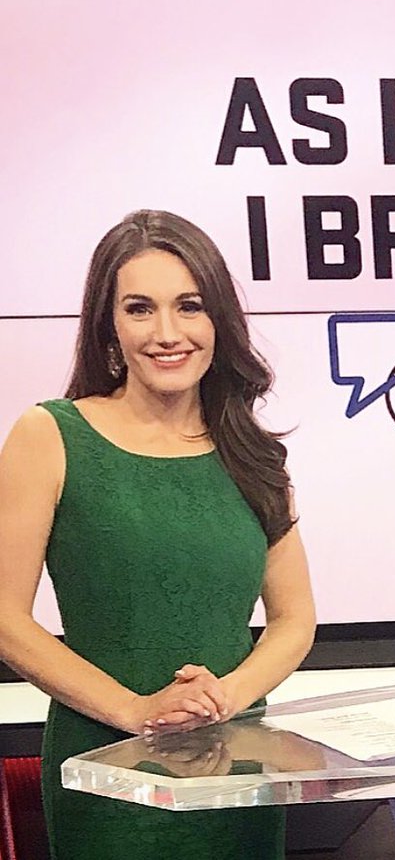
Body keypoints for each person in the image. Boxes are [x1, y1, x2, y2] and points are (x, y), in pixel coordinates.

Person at [0, 210, 316, 860]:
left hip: (237, 772)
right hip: (107, 773)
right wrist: (136, 710)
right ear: (109, 325)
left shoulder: (253, 455)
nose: (167, 333)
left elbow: (295, 619)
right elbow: (5, 620)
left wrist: (226, 696)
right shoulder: (50, 434)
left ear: (218, 320)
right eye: (140, 309)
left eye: (189, 306)